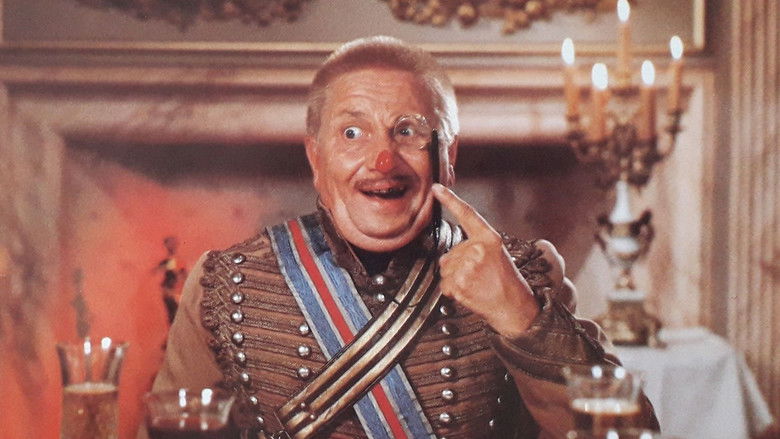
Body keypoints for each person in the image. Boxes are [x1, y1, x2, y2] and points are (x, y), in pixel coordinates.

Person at [141, 36, 658, 439]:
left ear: (449, 157)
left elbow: (631, 432)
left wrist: (522, 318)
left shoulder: (527, 275)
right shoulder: (223, 284)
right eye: (352, 133)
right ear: (316, 158)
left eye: (408, 131)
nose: (383, 160)